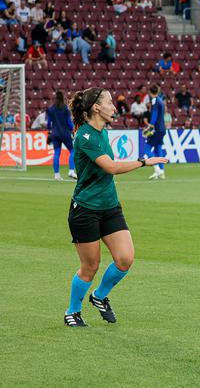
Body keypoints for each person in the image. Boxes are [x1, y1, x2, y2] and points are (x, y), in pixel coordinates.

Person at [63, 87, 168, 327]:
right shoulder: (85, 136)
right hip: (85, 210)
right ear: (97, 108)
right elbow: (110, 167)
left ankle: (99, 296)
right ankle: (72, 311)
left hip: (109, 206)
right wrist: (143, 162)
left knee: (125, 258)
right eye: (110, 102)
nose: (114, 107)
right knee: (90, 267)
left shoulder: (101, 133)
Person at [47, 91, 76, 181]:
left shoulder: (51, 109)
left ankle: (57, 175)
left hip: (55, 134)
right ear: (63, 98)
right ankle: (71, 170)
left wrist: (49, 132)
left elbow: (48, 123)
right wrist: (73, 129)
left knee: (57, 153)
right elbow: (69, 122)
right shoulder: (65, 109)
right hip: (65, 133)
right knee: (72, 151)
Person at [145, 84, 167, 179]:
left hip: (156, 129)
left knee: (146, 149)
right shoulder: (160, 100)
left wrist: (150, 126)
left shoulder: (154, 101)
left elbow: (154, 114)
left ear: (150, 92)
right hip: (162, 129)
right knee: (158, 149)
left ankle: (157, 169)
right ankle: (161, 172)